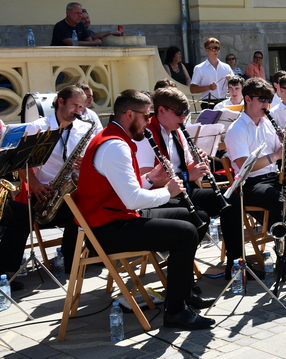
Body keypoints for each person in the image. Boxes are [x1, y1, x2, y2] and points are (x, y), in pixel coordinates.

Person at [72, 89, 216, 329]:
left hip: (116, 216)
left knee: (194, 217)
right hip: (108, 229)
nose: (150, 122)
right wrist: (168, 191)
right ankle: (176, 311)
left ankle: (182, 291)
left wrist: (151, 179)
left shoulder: (114, 139)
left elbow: (124, 188)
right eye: (147, 116)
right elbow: (132, 199)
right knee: (185, 233)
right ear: (130, 114)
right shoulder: (114, 146)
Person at [135, 88, 244, 277]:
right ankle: (180, 271)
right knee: (199, 217)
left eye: (185, 112)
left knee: (232, 201)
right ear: (161, 111)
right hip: (160, 196)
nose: (183, 117)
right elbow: (147, 179)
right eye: (179, 112)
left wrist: (198, 162)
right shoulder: (146, 136)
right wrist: (187, 175)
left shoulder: (178, 132)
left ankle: (235, 266)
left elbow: (189, 168)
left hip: (183, 190)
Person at [224, 78, 286, 256]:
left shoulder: (267, 123)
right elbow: (244, 165)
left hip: (273, 178)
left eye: (269, 100)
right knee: (280, 200)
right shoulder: (236, 129)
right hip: (250, 184)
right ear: (248, 99)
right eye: (262, 99)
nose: (266, 104)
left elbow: (281, 152)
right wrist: (275, 156)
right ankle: (283, 251)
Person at [8, 86, 95, 273]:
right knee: (78, 211)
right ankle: (70, 261)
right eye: (74, 105)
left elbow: (96, 160)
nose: (78, 111)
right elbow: (21, 166)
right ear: (60, 102)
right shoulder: (38, 127)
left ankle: (93, 255)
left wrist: (88, 162)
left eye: (81, 107)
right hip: (46, 193)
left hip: (74, 189)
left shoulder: (85, 128)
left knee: (97, 203)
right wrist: (35, 184)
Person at [190, 38, 233, 109]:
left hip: (224, 102)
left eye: (217, 48)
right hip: (208, 103)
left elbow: (236, 84)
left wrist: (231, 80)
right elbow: (192, 89)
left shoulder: (226, 67)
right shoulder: (199, 68)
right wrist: (209, 87)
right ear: (206, 50)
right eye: (213, 48)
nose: (215, 50)